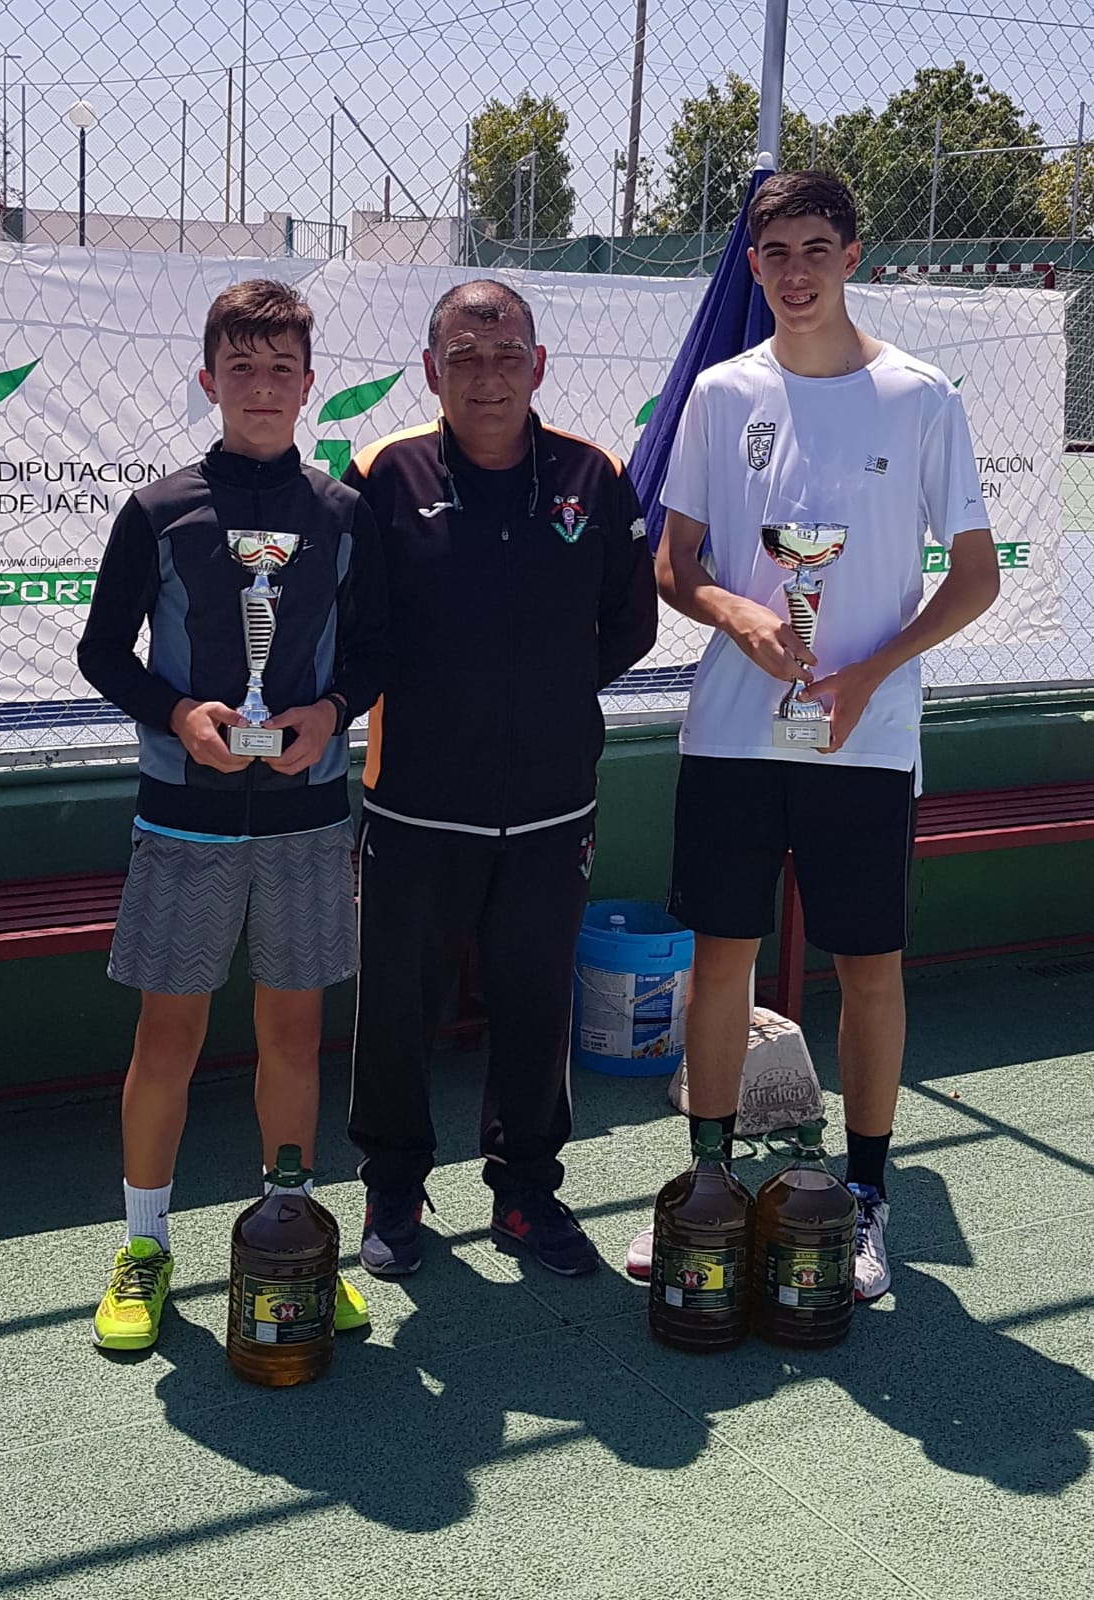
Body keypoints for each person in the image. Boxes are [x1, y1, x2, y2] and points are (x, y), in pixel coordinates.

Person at [625, 172, 1000, 1300]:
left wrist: (868, 672)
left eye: (815, 249)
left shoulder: (918, 395)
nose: (795, 272)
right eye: (775, 252)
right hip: (731, 737)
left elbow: (975, 579)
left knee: (869, 969)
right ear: (752, 266)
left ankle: (866, 1193)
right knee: (720, 965)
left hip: (862, 742)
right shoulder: (719, 392)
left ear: (851, 256)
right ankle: (707, 1182)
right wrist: (735, 614)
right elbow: (672, 565)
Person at [77, 279, 389, 1350]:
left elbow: (373, 651)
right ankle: (144, 1244)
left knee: (292, 1033)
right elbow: (101, 651)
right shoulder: (159, 511)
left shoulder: (341, 514)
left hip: (306, 817)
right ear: (209, 380)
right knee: (167, 1034)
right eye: (242, 368)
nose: (262, 386)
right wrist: (177, 714)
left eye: (281, 368)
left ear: (310, 384)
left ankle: (289, 1229)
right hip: (184, 818)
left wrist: (330, 712)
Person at [343, 279, 657, 1278]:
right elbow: (352, 627)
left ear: (538, 365)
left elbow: (632, 621)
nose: (487, 376)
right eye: (464, 358)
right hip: (416, 803)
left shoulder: (594, 474)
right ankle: (394, 1187)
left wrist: (551, 692)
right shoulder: (379, 473)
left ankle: (524, 1191)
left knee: (534, 1005)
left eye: (506, 354)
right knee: (398, 1008)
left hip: (552, 805)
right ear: (431, 370)